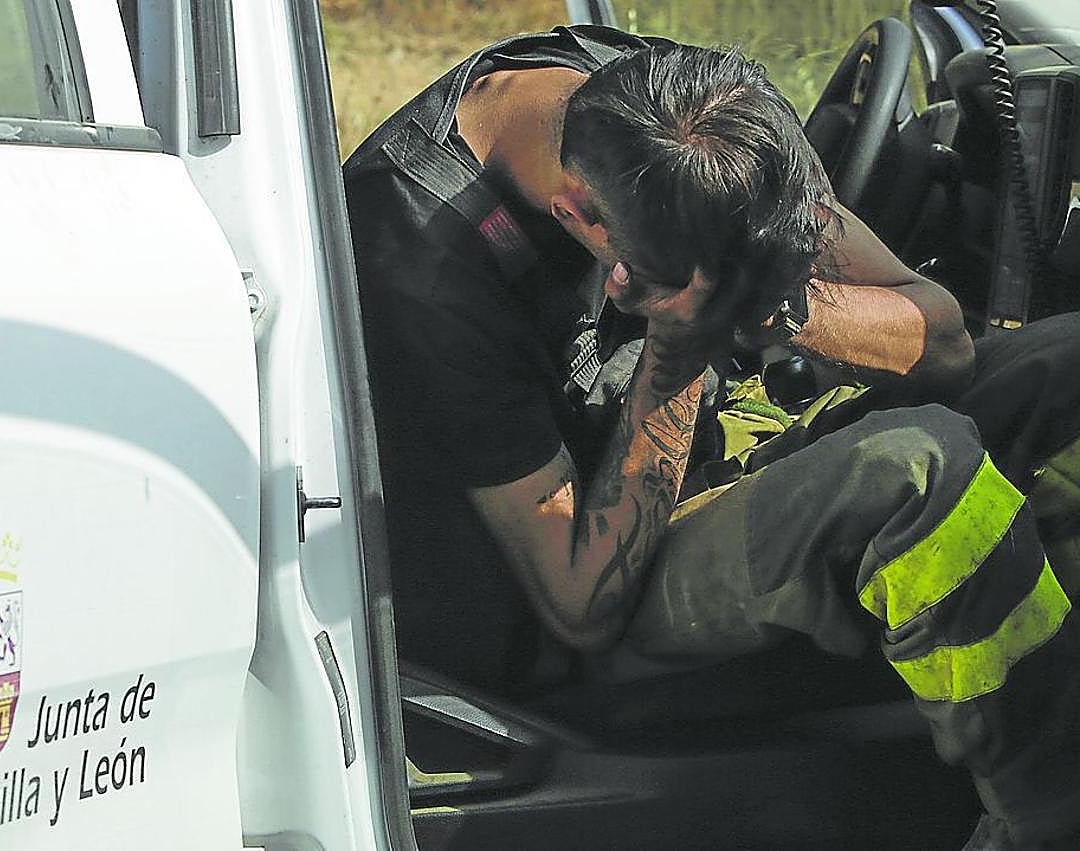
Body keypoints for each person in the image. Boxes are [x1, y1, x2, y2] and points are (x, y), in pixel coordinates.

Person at [343, 25, 1080, 849]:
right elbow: (578, 609)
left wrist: (775, 305)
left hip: (708, 458)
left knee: (1066, 360)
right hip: (580, 590)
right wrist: (678, 352)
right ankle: (1046, 820)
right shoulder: (424, 268)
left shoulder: (697, 113)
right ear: (580, 217)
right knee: (918, 473)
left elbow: (944, 343)